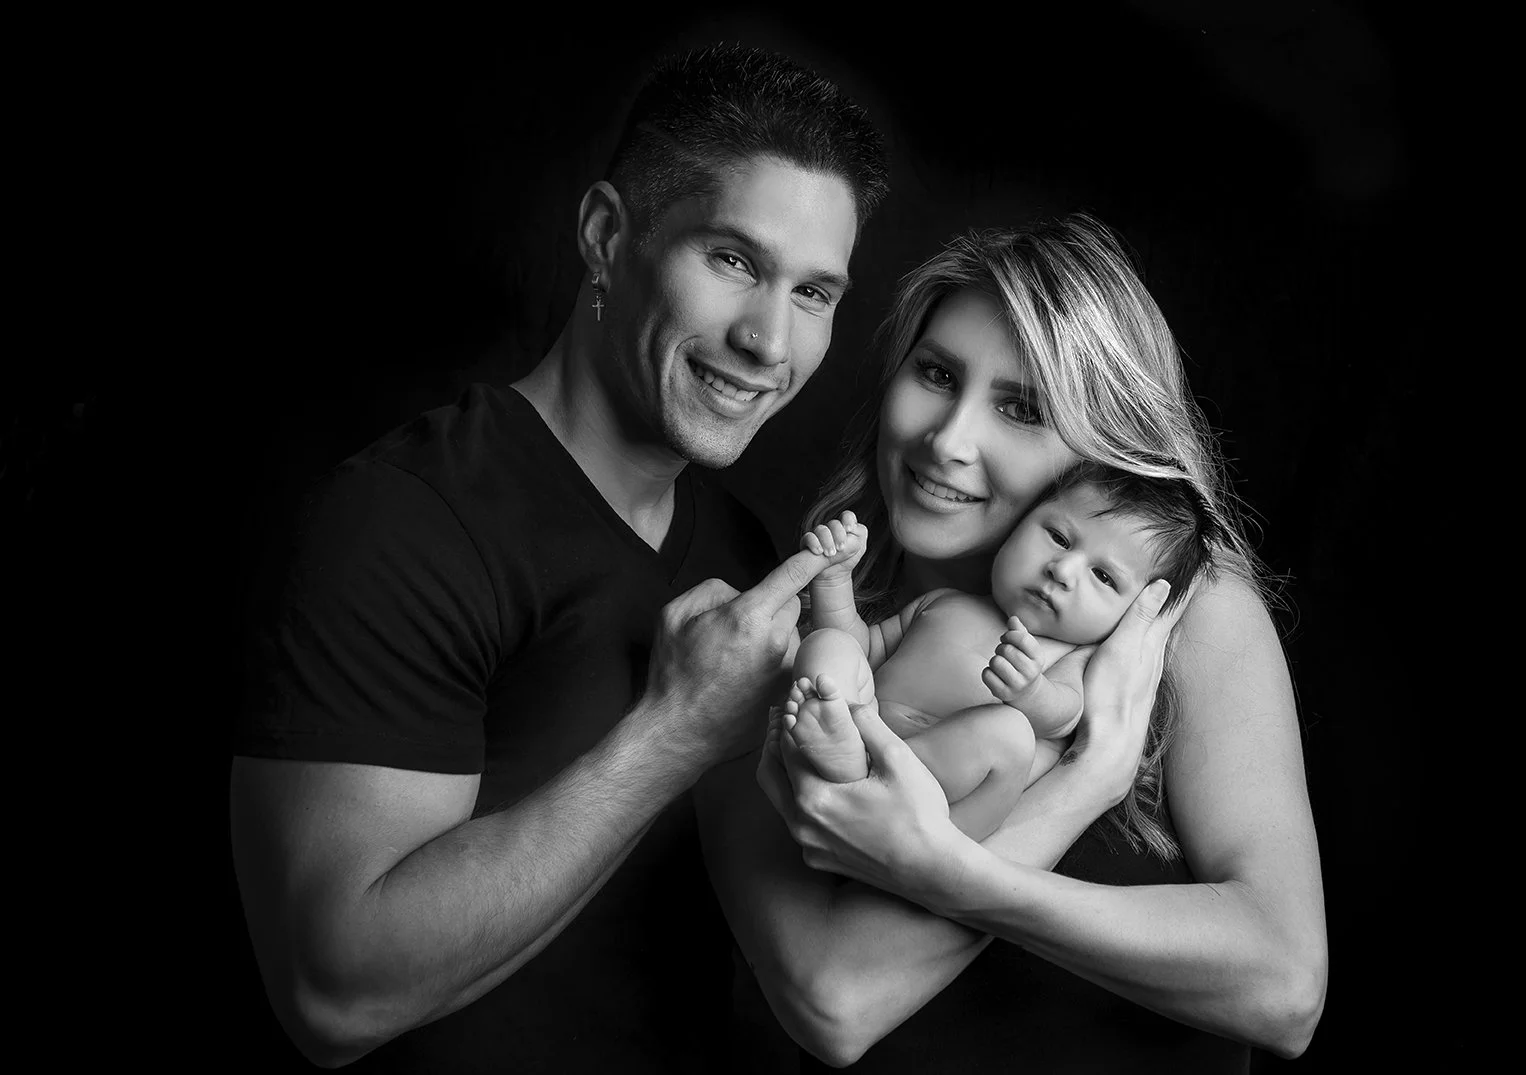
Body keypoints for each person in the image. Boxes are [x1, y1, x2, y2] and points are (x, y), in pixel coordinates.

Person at [228, 43, 887, 1071]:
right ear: (605, 236)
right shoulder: (404, 521)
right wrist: (674, 730)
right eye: (732, 261)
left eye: (813, 293)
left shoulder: (745, 553)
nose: (769, 341)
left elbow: (819, 971)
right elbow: (332, 994)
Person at [696, 214, 1327, 1071]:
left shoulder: (1178, 619)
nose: (947, 441)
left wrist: (959, 877)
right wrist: (1081, 780)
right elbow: (834, 999)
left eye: (1021, 408)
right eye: (935, 373)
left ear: (1107, 448)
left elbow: (1282, 988)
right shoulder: (792, 648)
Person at [782, 463, 1224, 841]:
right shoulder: (943, 603)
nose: (1063, 570)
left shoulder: (1070, 657)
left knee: (1010, 733)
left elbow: (1064, 715)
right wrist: (834, 581)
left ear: (1135, 611)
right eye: (1059, 537)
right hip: (863, 730)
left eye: (1104, 577)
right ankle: (842, 756)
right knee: (828, 645)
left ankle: (869, 775)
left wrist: (1031, 691)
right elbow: (864, 650)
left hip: (939, 805)